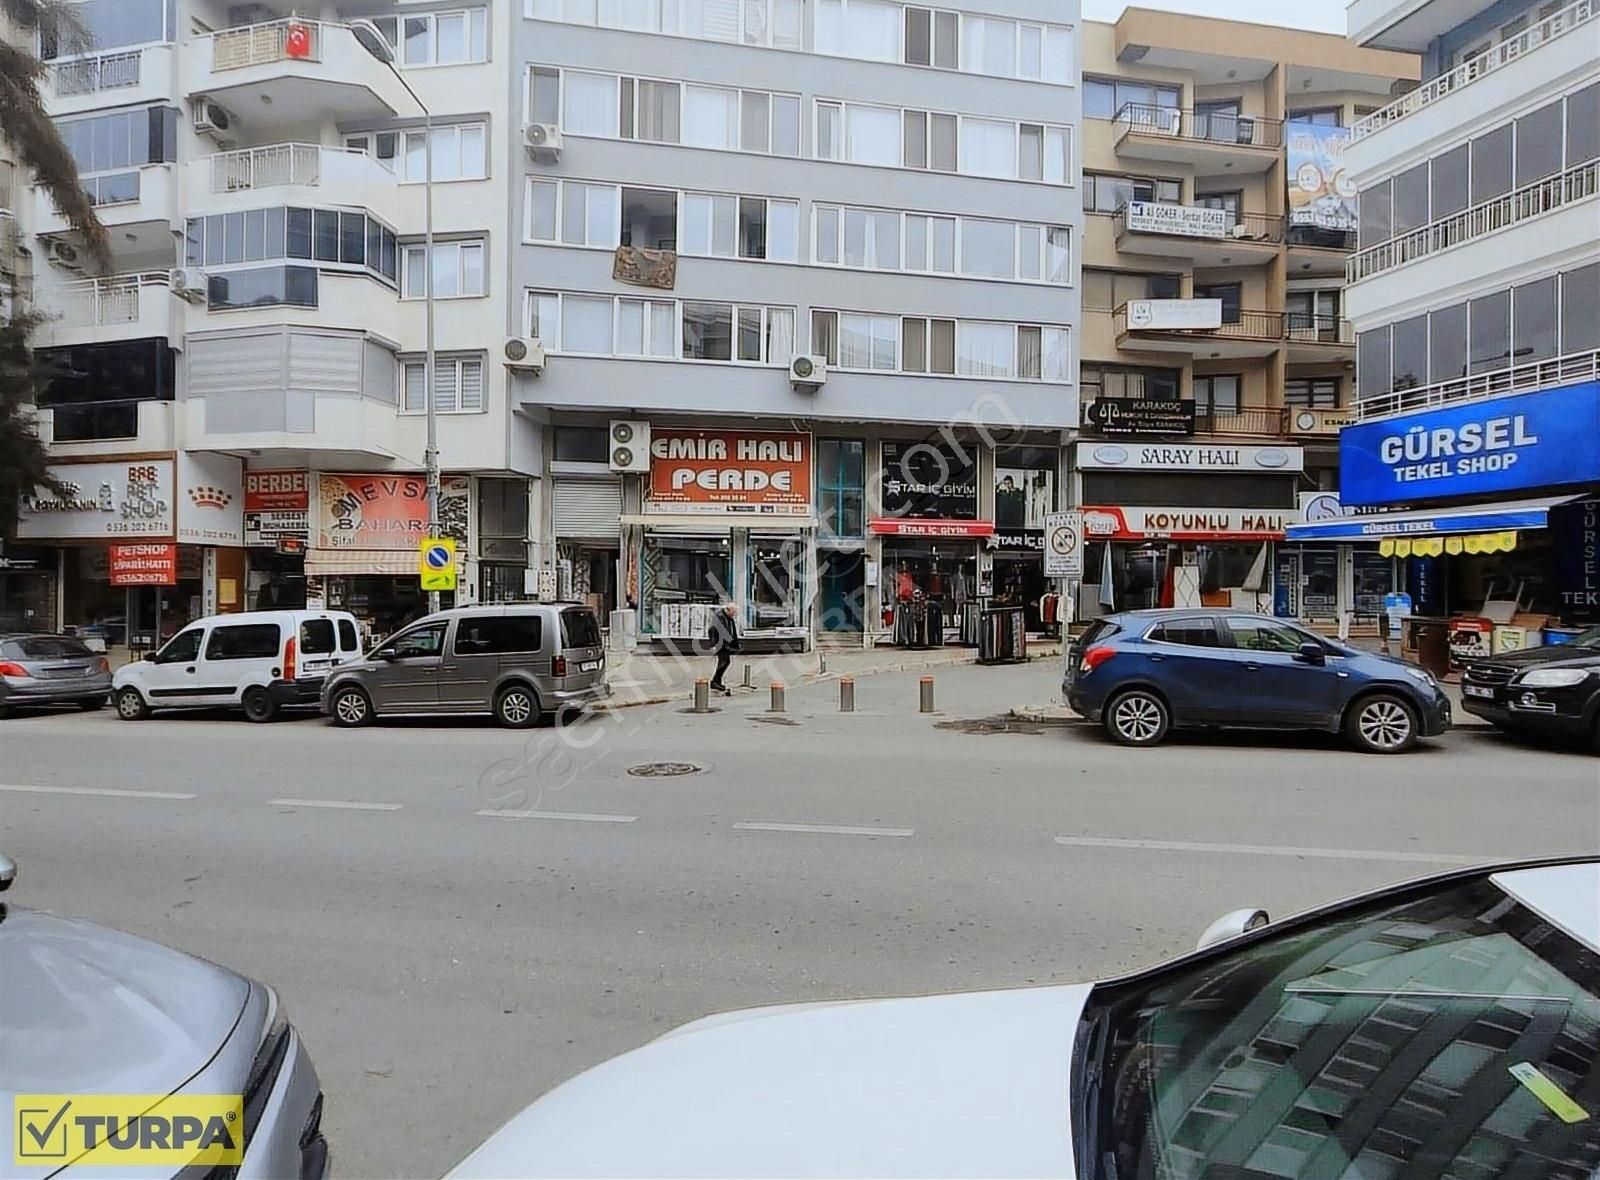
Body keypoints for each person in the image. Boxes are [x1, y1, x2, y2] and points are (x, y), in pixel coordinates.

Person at [707, 601, 741, 696]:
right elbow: (712, 631)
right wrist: (713, 645)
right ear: (728, 610)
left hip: (726, 644)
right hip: (720, 644)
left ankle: (717, 681)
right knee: (724, 662)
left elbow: (732, 631)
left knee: (725, 662)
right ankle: (715, 682)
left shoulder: (728, 617)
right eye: (733, 612)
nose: (734, 615)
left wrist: (735, 644)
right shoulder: (719, 616)